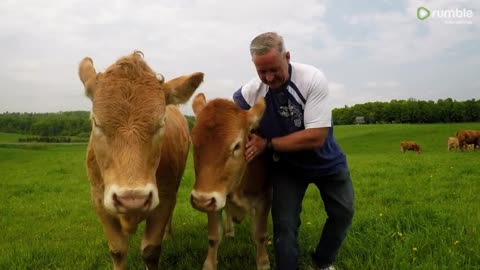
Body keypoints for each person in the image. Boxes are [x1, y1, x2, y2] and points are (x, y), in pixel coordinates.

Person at [232, 32, 354, 270]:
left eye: (274, 69)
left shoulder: (311, 79)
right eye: (262, 72)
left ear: (287, 57)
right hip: (287, 167)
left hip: (326, 162)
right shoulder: (251, 92)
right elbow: (231, 118)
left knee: (343, 213)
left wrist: (266, 144)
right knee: (285, 225)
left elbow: (316, 136)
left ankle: (323, 261)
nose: (269, 77)